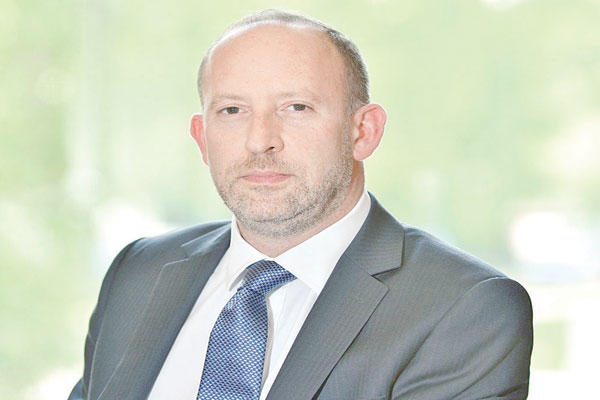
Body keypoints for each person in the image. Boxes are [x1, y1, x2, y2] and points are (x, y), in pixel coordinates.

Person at [69, 9, 533, 400]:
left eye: (296, 108)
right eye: (232, 110)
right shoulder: (139, 272)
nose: (260, 140)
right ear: (202, 138)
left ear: (363, 131)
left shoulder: (464, 309)